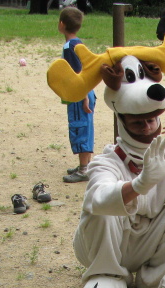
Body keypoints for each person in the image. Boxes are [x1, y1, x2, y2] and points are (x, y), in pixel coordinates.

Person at [59, 6, 95, 183]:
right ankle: (85, 165)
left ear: (61, 24)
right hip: (85, 92)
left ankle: (83, 170)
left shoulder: (69, 47)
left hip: (80, 94)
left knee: (80, 128)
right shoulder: (78, 43)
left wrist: (84, 97)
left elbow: (79, 73)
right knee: (85, 128)